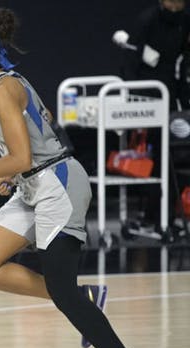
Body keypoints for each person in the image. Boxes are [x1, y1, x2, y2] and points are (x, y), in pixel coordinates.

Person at [0, 8, 161, 348]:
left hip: (59, 185)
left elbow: (23, 156)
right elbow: (36, 138)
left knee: (62, 291)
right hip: (34, 184)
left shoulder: (4, 88)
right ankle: (86, 294)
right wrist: (9, 174)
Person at [112, 0, 190, 231]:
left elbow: (183, 60)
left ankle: (163, 215)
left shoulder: (186, 21)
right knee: (154, 158)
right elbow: (131, 61)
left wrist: (182, 99)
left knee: (170, 159)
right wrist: (134, 97)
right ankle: (152, 216)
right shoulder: (147, 20)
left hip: (174, 99)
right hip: (148, 98)